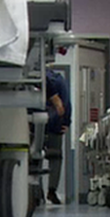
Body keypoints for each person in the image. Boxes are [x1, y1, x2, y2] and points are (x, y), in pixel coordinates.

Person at [44, 68, 71, 205]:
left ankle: (34, 192)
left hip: (33, 124)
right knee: (55, 158)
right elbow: (65, 103)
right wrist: (66, 122)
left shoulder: (34, 79)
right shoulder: (60, 81)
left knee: (33, 157)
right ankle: (51, 191)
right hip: (55, 125)